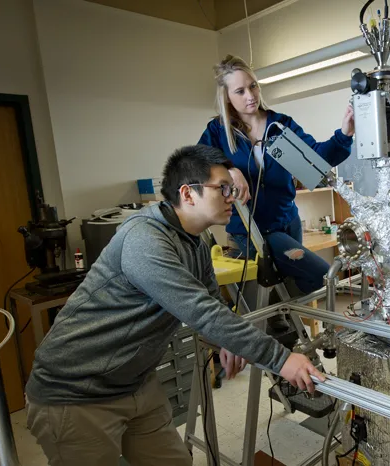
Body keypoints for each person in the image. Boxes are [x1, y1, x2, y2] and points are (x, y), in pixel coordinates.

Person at [25, 145, 324, 466]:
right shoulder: (145, 239)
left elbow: (211, 301)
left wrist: (223, 340)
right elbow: (200, 311)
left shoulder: (197, 240)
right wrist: (280, 359)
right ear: (188, 193)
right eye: (222, 188)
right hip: (76, 394)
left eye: (233, 188)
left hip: (135, 382)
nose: (232, 196)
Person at [198, 54, 354, 295]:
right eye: (239, 91)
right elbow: (198, 165)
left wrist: (344, 133)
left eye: (253, 86)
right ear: (227, 97)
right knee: (321, 276)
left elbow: (316, 160)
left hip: (288, 222)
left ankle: (286, 326)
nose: (250, 96)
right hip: (252, 229)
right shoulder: (218, 131)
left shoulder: (279, 126)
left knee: (292, 293)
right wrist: (230, 171)